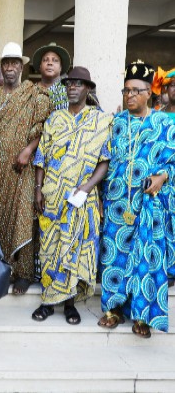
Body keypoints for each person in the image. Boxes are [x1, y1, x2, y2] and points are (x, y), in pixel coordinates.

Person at [98, 61, 175, 339]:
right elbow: (104, 160)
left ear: (149, 94)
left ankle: (143, 315)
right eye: (125, 90)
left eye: (135, 91)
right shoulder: (116, 123)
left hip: (148, 203)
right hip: (118, 202)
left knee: (145, 259)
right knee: (114, 257)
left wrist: (163, 177)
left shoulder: (164, 124)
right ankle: (114, 309)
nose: (129, 96)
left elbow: (174, 161)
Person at [32, 67, 112, 324]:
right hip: (53, 198)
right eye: (69, 84)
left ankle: (69, 305)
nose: (73, 87)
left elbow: (105, 161)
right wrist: (37, 188)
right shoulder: (54, 119)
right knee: (49, 250)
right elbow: (41, 155)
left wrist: (87, 188)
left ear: (88, 89)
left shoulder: (100, 121)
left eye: (78, 84)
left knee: (74, 252)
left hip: (81, 200)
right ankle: (47, 301)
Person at [0, 42, 51, 295]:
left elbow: (43, 127)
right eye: (6, 63)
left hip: (23, 167)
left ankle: (23, 274)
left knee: (22, 216)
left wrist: (28, 149)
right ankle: (0, 267)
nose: (10, 68)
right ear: (1, 68)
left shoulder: (34, 94)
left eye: (14, 63)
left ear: (21, 67)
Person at [32, 42, 71, 111]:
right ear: (40, 66)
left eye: (55, 60)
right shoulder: (31, 91)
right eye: (45, 60)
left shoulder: (69, 91)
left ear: (60, 67)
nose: (50, 63)